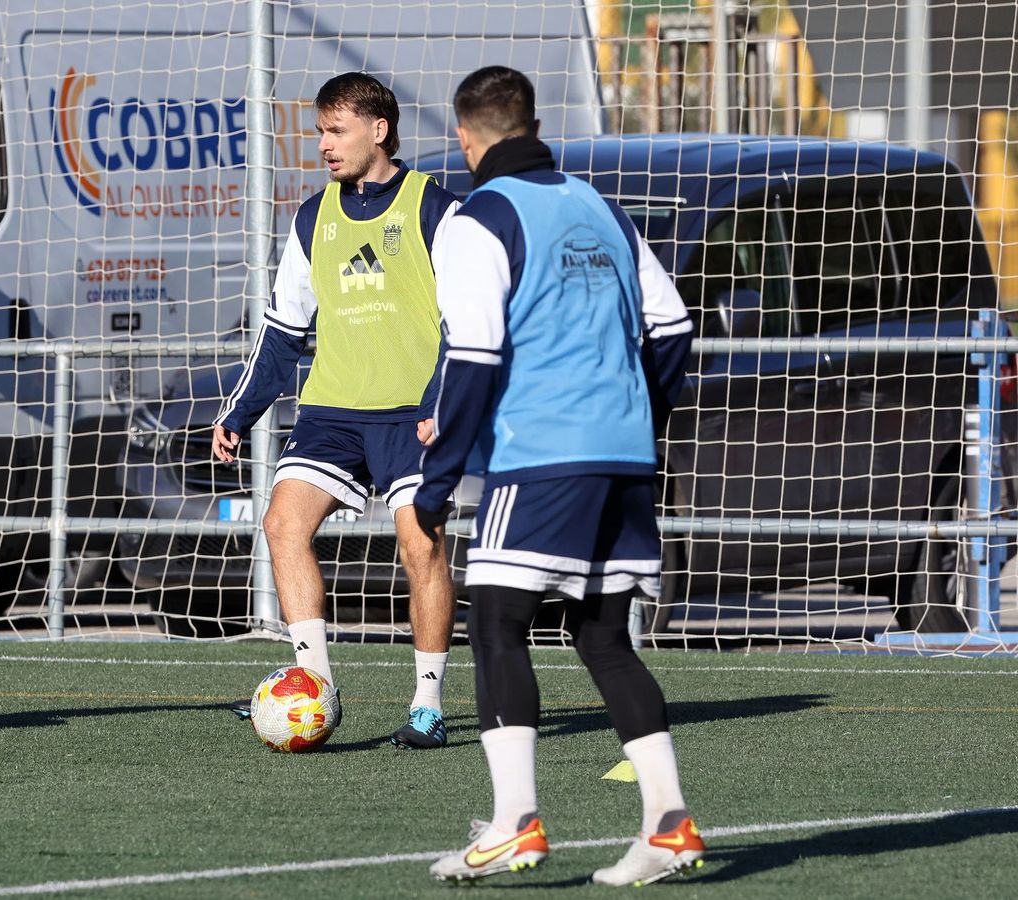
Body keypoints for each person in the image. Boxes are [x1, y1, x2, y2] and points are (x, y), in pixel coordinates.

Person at [416, 67, 700, 885]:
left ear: (466, 140)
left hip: (540, 455)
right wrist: (632, 415)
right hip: (623, 453)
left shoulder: (478, 218)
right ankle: (669, 823)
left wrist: (436, 482)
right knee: (601, 635)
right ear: (534, 126)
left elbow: (473, 355)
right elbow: (672, 326)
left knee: (495, 624)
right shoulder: (602, 208)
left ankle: (514, 823)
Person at [213, 72, 459, 749]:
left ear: (379, 131)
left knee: (421, 546)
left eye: (336, 131)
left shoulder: (436, 208)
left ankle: (428, 706)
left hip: (414, 414)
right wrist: (239, 412)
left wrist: (443, 401)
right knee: (282, 523)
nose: (323, 144)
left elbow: (467, 321)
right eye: (320, 131)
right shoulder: (312, 216)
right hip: (333, 412)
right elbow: (282, 330)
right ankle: (314, 684)